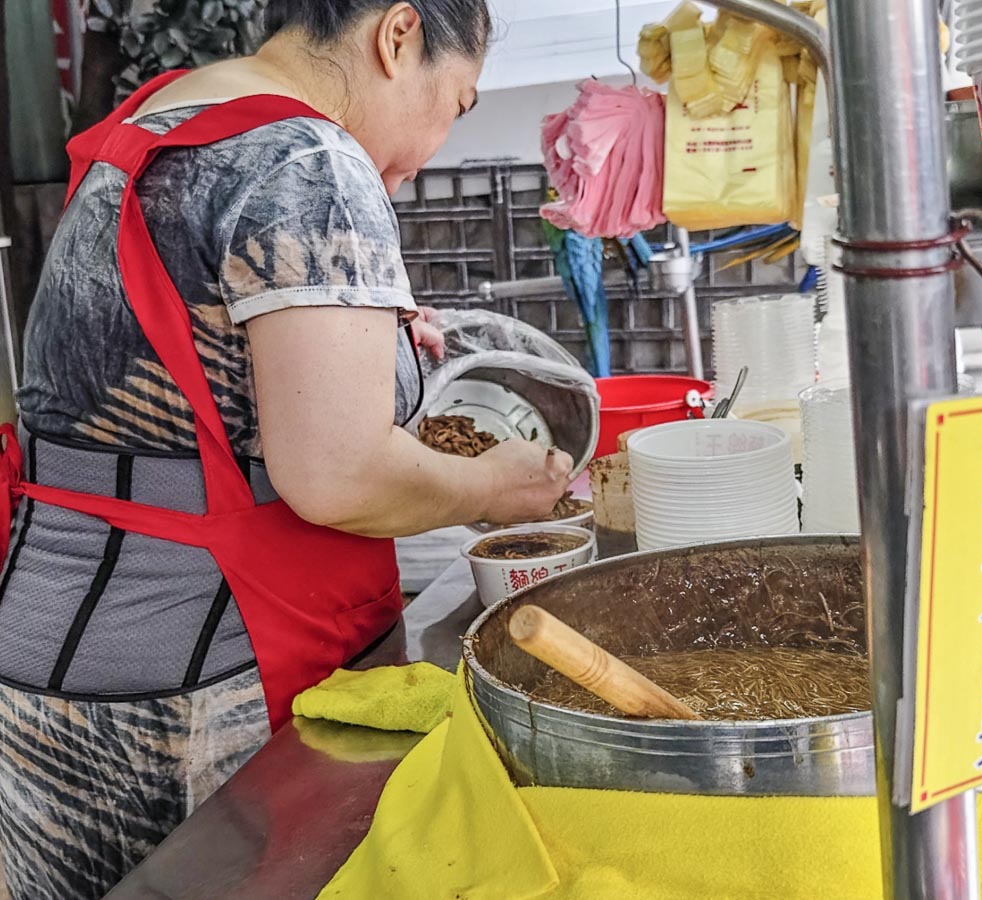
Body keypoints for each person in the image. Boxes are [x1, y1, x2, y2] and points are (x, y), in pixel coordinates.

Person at [0, 2, 573, 896]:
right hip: (188, 683)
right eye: (454, 105)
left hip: (45, 654)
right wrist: (491, 487)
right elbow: (340, 476)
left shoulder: (158, 117)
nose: (427, 158)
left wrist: (372, 346)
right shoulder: (309, 160)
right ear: (398, 36)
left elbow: (175, 377)